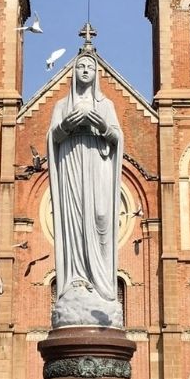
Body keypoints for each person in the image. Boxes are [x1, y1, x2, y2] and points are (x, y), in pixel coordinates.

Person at [47, 51, 125, 328]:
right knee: (75, 225)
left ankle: (101, 284)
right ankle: (77, 279)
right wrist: (66, 126)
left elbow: (117, 137)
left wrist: (103, 125)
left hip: (98, 169)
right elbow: (53, 137)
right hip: (71, 169)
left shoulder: (106, 105)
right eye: (79, 66)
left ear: (96, 74)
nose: (84, 70)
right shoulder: (60, 105)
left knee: (100, 217)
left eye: (89, 67)